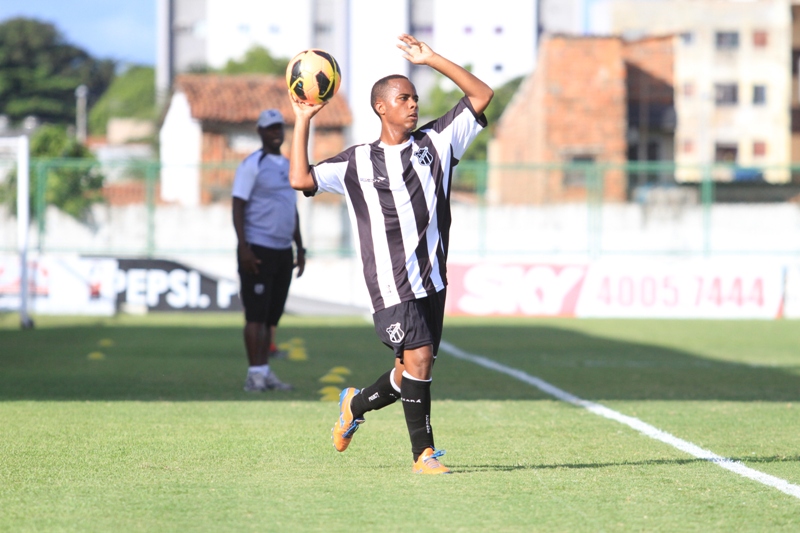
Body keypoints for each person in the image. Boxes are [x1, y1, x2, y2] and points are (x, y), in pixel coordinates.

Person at [288, 34, 493, 474]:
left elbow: (481, 94)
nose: (413, 105)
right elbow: (300, 179)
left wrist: (431, 58)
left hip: (432, 280)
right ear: (381, 107)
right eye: (404, 99)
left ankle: (354, 405)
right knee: (418, 361)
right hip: (389, 281)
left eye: (415, 98)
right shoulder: (356, 162)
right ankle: (424, 454)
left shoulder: (439, 142)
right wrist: (303, 118)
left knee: (407, 371)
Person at [232, 108, 306, 392]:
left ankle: (264, 370)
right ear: (260, 132)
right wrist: (244, 247)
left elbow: (292, 209)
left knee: (271, 316)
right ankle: (254, 374)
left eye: (279, 127)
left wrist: (300, 246)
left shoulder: (288, 165)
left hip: (282, 250)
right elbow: (238, 205)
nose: (276, 132)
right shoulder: (252, 164)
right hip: (258, 249)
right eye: (270, 128)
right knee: (255, 316)